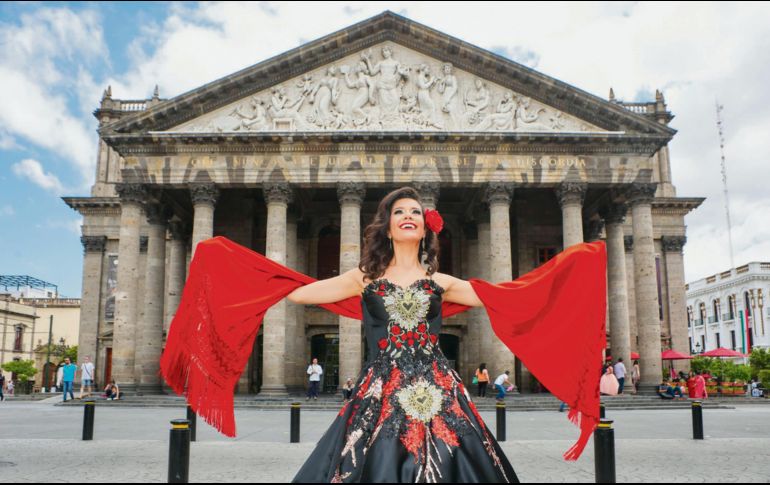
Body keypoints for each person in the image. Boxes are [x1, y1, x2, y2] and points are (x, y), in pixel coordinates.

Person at [160, 186, 610, 481]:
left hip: (440, 390)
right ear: (388, 225)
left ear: (426, 226)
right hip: (381, 391)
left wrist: (575, 266)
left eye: (416, 212)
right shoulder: (364, 279)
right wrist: (228, 262)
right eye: (400, 212)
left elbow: (511, 296)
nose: (409, 217)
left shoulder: (443, 282)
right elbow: (302, 292)